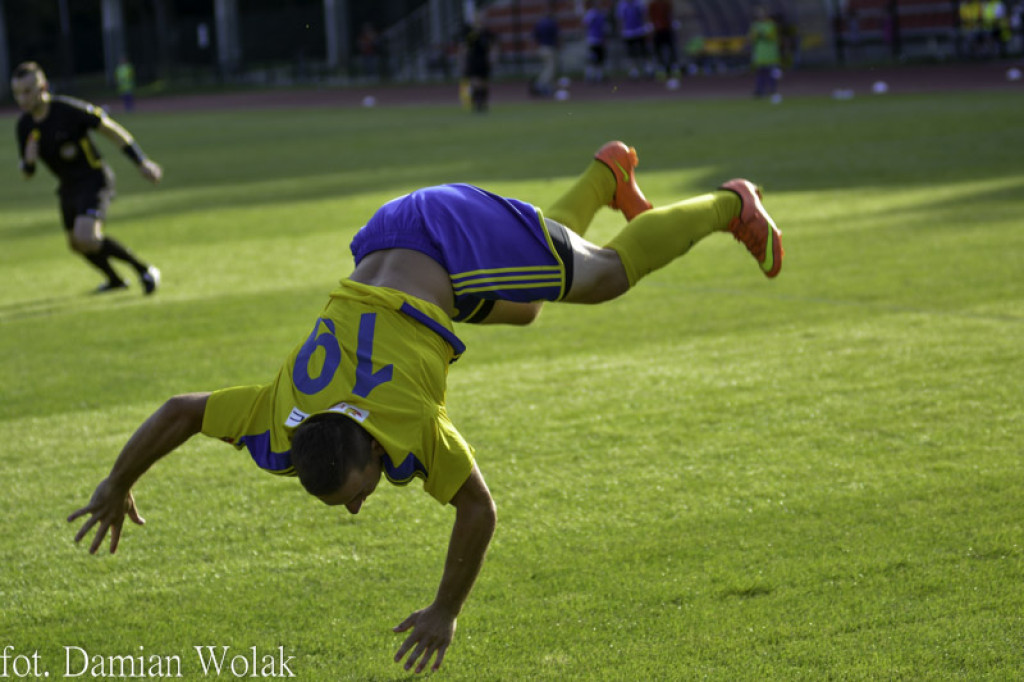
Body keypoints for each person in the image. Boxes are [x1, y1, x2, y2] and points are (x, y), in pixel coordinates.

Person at [67, 140, 783, 673]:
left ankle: (731, 203)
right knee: (527, 305)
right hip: (391, 240)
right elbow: (182, 411)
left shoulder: (408, 424)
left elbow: (480, 509)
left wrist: (445, 612)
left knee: (604, 276)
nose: (354, 509)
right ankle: (606, 175)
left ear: (374, 447)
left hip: (450, 239)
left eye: (355, 494)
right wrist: (116, 481)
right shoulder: (281, 409)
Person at [11, 61, 162, 295]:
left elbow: (111, 130)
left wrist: (141, 162)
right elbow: (26, 174)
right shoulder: (25, 126)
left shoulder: (68, 111)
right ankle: (115, 281)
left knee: (87, 237)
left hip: (94, 179)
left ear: (44, 87)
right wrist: (28, 163)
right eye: (17, 93)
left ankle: (144, 269)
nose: (22, 99)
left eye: (28, 91)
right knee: (76, 244)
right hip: (67, 187)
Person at [459, 17, 498, 113]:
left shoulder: (487, 34)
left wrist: (493, 57)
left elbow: (493, 46)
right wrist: (463, 61)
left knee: (484, 83)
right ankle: (477, 102)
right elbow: (465, 47)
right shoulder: (472, 35)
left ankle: (482, 102)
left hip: (484, 60)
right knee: (475, 82)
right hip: (474, 60)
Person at [748, 6, 782, 99]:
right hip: (760, 54)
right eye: (759, 14)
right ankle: (759, 90)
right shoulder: (755, 25)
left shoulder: (771, 25)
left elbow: (769, 36)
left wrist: (759, 32)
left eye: (762, 14)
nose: (761, 16)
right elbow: (752, 38)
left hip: (771, 54)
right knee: (760, 73)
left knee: (773, 73)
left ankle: (773, 89)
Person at [616, 0, 653, 78]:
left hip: (639, 30)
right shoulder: (622, 4)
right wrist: (621, 30)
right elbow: (620, 19)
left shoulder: (639, 3)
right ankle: (633, 70)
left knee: (644, 50)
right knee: (630, 52)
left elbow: (644, 16)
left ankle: (647, 68)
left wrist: (647, 27)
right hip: (628, 32)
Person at [531, 8, 560, 96]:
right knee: (550, 68)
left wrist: (533, 48)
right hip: (550, 48)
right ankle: (540, 84)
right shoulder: (552, 23)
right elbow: (557, 36)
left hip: (542, 48)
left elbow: (534, 37)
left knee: (547, 67)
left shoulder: (539, 23)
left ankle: (548, 87)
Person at [583, 0, 609, 83]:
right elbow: (585, 24)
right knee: (592, 58)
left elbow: (604, 27)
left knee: (600, 58)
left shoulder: (602, 14)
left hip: (600, 39)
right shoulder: (591, 14)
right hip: (593, 39)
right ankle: (589, 75)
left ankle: (599, 76)